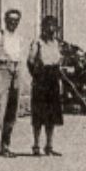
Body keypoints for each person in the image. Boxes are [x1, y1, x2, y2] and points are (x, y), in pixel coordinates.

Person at [0, 8, 26, 158]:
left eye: (16, 21)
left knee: (12, 112)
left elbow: (21, 57)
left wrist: (18, 72)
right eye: (10, 20)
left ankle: (6, 146)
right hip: (2, 71)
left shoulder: (20, 39)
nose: (13, 23)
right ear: (5, 21)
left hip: (16, 71)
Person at [27, 14, 66, 157]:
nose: (50, 29)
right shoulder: (37, 43)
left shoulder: (56, 43)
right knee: (38, 114)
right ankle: (36, 145)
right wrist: (37, 76)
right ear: (43, 28)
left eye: (53, 26)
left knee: (52, 114)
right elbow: (30, 61)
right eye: (48, 26)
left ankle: (49, 145)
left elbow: (58, 62)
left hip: (53, 80)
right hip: (41, 81)